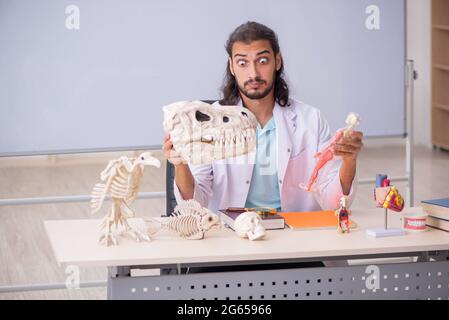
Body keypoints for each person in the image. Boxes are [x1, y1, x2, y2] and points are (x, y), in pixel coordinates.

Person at [163, 21, 363, 215]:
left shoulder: (310, 119)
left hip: (296, 236)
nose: (254, 73)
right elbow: (195, 204)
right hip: (233, 234)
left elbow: (335, 203)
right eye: (242, 63)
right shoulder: (208, 123)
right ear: (232, 67)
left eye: (263, 61)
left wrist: (349, 162)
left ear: (277, 61)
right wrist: (181, 163)